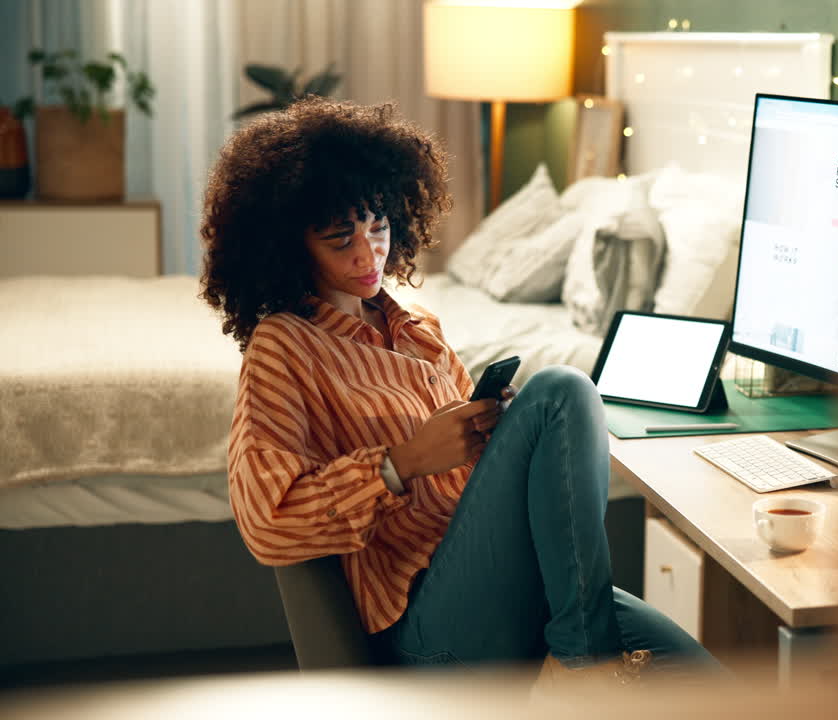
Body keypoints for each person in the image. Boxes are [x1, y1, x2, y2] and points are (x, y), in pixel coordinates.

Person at [199, 97, 714, 685]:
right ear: (292, 246)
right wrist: (404, 463)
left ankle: (584, 646)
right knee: (563, 387)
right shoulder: (283, 347)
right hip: (427, 626)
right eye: (341, 239)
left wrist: (501, 436)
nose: (370, 255)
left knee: (711, 684)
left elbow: (480, 488)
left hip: (506, 583)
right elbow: (267, 524)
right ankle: (587, 661)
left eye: (379, 227)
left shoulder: (417, 328)